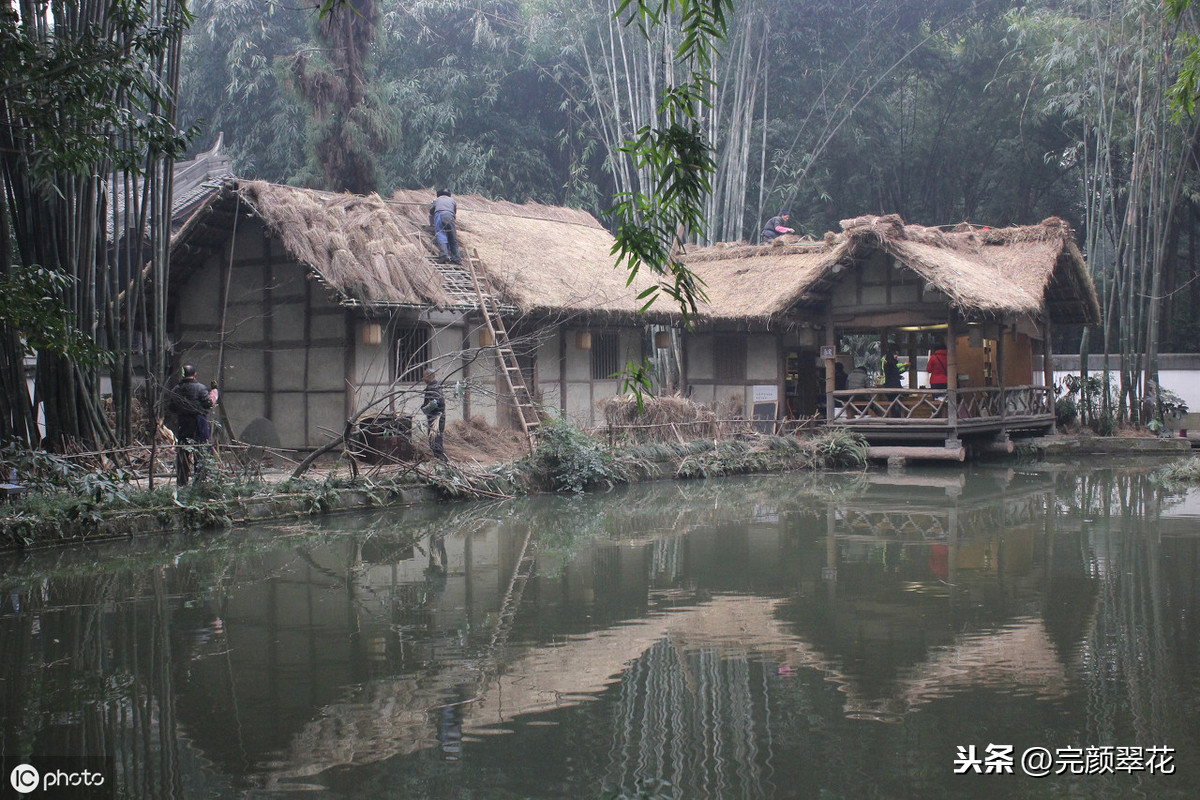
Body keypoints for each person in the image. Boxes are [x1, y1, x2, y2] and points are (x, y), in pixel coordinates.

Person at [169, 365, 214, 485]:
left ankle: (182, 482)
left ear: (182, 375)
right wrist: (213, 395)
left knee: (183, 451)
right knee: (201, 450)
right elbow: (208, 404)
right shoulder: (200, 388)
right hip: (199, 422)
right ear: (195, 375)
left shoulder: (176, 390)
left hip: (183, 422)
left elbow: (172, 407)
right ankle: (200, 481)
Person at [429, 189, 462, 264]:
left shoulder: (437, 200)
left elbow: (431, 212)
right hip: (450, 216)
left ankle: (444, 255)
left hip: (440, 215)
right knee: (452, 236)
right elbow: (454, 211)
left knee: (440, 233)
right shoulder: (452, 200)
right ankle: (456, 257)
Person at [422, 370, 448, 462]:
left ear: (429, 376)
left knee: (436, 441)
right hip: (432, 418)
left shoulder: (435, 387)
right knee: (432, 441)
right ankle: (440, 460)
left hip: (437, 418)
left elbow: (436, 403)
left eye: (424, 376)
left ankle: (443, 461)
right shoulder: (430, 387)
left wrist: (425, 409)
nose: (423, 378)